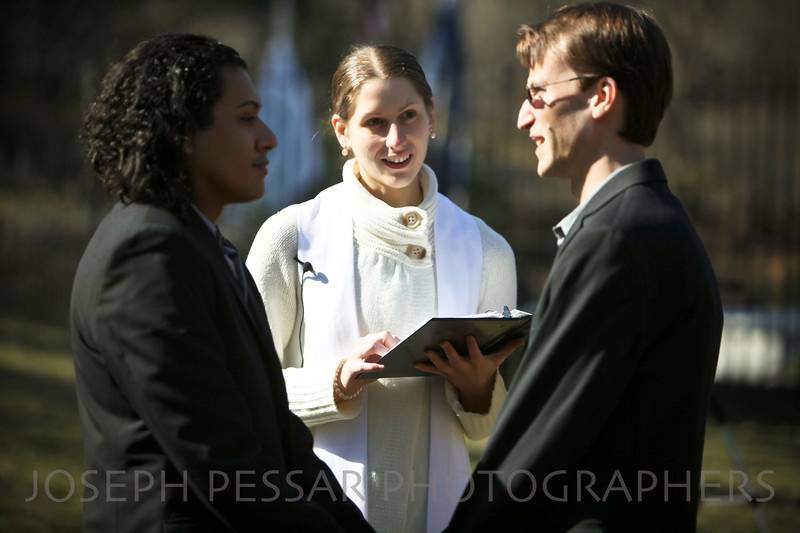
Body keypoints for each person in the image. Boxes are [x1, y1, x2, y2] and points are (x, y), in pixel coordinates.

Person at [71, 33, 373, 533]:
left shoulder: (206, 245)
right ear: (184, 133)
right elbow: (223, 466)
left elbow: (284, 445)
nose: (269, 138)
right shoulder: (148, 254)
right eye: (247, 117)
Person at [447, 3, 723, 532]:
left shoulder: (618, 237)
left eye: (538, 96)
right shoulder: (652, 220)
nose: (523, 118)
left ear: (601, 97)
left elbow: (536, 440)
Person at [246, 44, 522, 533]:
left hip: (442, 515)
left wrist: (478, 389)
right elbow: (244, 391)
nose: (397, 139)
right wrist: (335, 382)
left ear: (433, 117)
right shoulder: (290, 236)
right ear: (342, 132)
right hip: (316, 514)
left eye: (410, 116)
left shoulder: (488, 249)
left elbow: (485, 427)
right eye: (375, 122)